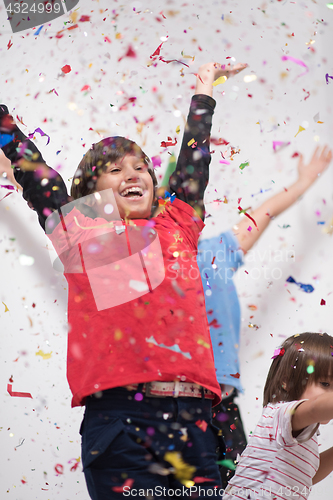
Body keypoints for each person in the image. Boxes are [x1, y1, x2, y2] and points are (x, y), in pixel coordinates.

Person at [0, 61, 246, 500]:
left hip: (195, 423)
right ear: (92, 190)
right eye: (115, 169)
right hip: (122, 424)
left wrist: (204, 89)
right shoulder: (80, 230)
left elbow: (193, 164)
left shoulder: (177, 225)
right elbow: (38, 174)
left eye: (140, 167)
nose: (132, 174)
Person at [160, 132, 332, 487]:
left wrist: (301, 183)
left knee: (238, 483)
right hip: (169, 398)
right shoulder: (145, 266)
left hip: (220, 399)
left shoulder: (214, 253)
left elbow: (263, 214)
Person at [223, 331, 333, 499]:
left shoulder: (303, 432)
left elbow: (307, 477)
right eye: (325, 384)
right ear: (287, 381)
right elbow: (315, 408)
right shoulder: (281, 414)